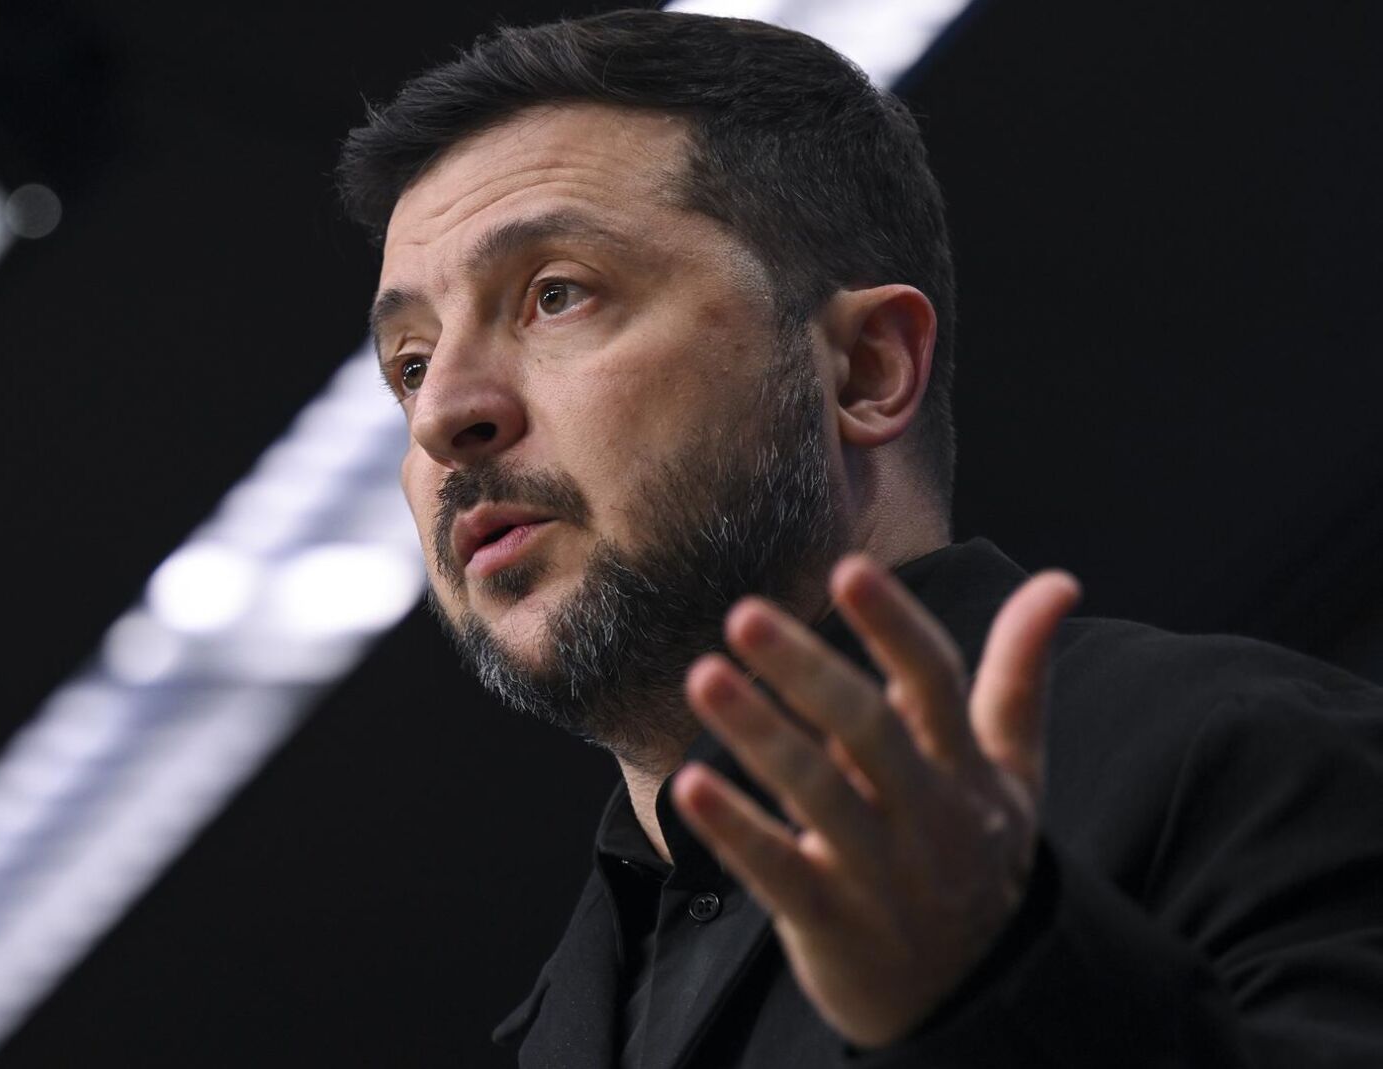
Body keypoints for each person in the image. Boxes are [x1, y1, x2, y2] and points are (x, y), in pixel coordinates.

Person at [333, 9, 1383, 1069]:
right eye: (410, 364)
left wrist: (1000, 991)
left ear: (866, 369)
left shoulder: (1252, 756)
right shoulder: (554, 1029)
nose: (441, 414)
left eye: (555, 295)